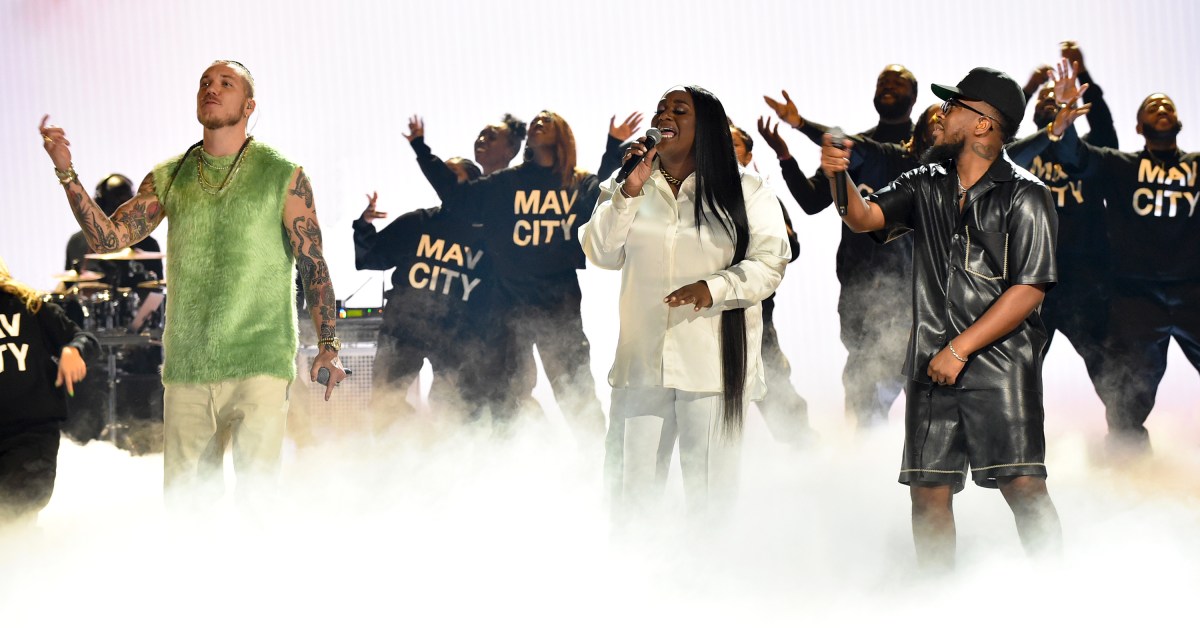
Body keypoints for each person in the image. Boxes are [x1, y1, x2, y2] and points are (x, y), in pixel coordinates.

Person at [38, 60, 347, 510]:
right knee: (186, 508)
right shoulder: (170, 176)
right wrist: (67, 172)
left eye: (226, 83)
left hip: (259, 358)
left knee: (257, 502)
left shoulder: (284, 175)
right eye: (205, 82)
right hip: (187, 367)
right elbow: (108, 238)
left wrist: (329, 342)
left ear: (249, 104)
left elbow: (312, 261)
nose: (212, 88)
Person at [822, 67, 1064, 570]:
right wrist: (837, 177)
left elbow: (1029, 289)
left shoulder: (1027, 195)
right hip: (932, 363)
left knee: (1023, 484)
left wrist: (960, 349)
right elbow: (864, 217)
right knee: (928, 492)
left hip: (1000, 365)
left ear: (982, 124)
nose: (943, 116)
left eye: (955, 107)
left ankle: (1056, 589)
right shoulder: (925, 181)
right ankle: (936, 601)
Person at [582, 86, 790, 521]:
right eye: (661, 109)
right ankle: (633, 578)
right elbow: (600, 252)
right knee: (629, 493)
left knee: (710, 494)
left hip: (713, 364)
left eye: (680, 110)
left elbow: (770, 263)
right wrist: (629, 191)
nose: (665, 115)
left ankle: (709, 583)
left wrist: (712, 288)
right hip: (642, 363)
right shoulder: (627, 185)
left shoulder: (747, 191)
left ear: (708, 127)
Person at [406, 110, 606, 442]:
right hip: (501, 317)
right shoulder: (504, 186)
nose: (482, 141)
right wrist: (421, 149)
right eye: (535, 123)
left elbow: (605, 201)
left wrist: (614, 147)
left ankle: (602, 466)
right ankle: (508, 470)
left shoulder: (575, 182)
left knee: (573, 393)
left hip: (557, 309)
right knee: (503, 398)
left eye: (548, 122)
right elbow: (457, 198)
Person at [763, 65, 919, 427]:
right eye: (882, 81)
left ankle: (932, 478)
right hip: (860, 291)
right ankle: (865, 470)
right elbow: (812, 201)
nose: (888, 86)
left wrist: (801, 123)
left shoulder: (920, 154)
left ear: (914, 96)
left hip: (915, 295)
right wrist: (786, 161)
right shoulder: (854, 150)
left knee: (928, 405)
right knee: (864, 400)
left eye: (898, 82)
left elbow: (855, 147)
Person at [1050, 87, 1200, 458]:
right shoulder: (1121, 165)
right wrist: (1065, 124)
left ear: (1179, 123)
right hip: (1136, 296)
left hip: (1194, 292)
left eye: (1167, 105)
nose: (1161, 107)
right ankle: (1129, 478)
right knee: (1126, 399)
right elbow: (1075, 156)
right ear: (1139, 126)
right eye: (1152, 106)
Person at [1006, 49, 1121, 416]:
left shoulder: (1093, 153)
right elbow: (1001, 132)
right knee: (1016, 376)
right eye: (1045, 100)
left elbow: (1102, 125)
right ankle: (1014, 461)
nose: (1051, 102)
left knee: (1113, 376)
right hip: (1030, 282)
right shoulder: (1016, 156)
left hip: (1087, 281)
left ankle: (1129, 453)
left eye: (1056, 99)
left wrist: (1084, 77)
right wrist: (1029, 87)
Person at [353, 158, 497, 430]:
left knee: (459, 406)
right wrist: (364, 225)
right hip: (404, 327)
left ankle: (446, 459)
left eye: (451, 174)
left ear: (472, 185)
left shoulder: (487, 236)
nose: (442, 177)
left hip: (457, 332)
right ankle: (405, 455)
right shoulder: (418, 222)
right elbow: (371, 256)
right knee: (384, 400)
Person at [729, 123, 814, 445]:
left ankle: (805, 452)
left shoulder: (762, 196)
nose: (724, 148)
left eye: (733, 144)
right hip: (700, 314)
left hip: (755, 313)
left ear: (748, 155)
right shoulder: (689, 196)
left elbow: (791, 250)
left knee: (774, 386)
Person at [0, 255, 98, 528]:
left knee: (13, 520)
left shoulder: (30, 305)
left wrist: (73, 350)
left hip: (30, 437)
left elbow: (84, 339)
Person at [65, 173, 164, 286]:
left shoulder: (149, 244)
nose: (121, 214)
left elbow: (157, 290)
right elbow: (67, 284)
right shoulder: (76, 242)